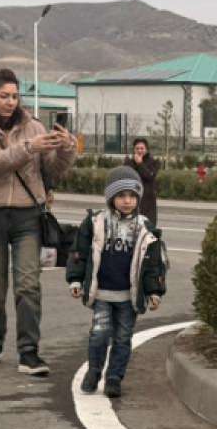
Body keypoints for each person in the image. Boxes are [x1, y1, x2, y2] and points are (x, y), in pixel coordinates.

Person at [0, 68, 77, 374]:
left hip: (27, 215)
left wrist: (66, 147)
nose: (10, 102)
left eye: (14, 96)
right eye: (3, 96)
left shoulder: (34, 127)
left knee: (28, 285)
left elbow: (53, 170)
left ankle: (29, 351)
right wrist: (29, 148)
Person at [66, 165, 167, 397]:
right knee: (99, 334)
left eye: (132, 195)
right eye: (121, 195)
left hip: (128, 297)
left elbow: (153, 264)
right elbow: (79, 252)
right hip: (101, 293)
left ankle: (114, 377)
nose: (127, 201)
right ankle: (94, 371)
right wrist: (76, 280)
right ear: (111, 197)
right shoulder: (96, 222)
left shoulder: (145, 228)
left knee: (123, 338)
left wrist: (154, 291)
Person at [125, 137, 161, 226]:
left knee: (148, 227)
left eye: (142, 148)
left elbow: (149, 176)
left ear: (146, 149)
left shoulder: (154, 162)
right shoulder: (129, 162)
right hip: (133, 199)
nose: (139, 151)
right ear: (134, 150)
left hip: (148, 201)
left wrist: (140, 164)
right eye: (137, 148)